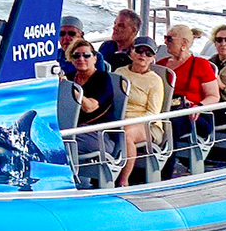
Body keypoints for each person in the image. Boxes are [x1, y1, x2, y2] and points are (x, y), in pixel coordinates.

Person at [158, 24, 220, 178]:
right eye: (165, 38)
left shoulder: (201, 65)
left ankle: (164, 174)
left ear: (184, 43)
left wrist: (198, 106)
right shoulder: (161, 65)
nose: (165, 42)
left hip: (194, 115)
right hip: (166, 111)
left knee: (169, 126)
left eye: (170, 39)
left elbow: (214, 96)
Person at [113, 35, 170, 187]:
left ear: (153, 58)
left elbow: (153, 113)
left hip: (148, 125)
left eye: (148, 53)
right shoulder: (119, 72)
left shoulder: (155, 80)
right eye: (139, 51)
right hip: (118, 120)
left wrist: (127, 122)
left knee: (126, 133)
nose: (143, 55)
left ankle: (123, 181)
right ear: (131, 52)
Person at [64, 38, 116, 184]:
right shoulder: (69, 78)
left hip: (100, 135)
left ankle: (73, 183)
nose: (81, 59)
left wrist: (71, 89)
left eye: (86, 55)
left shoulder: (102, 79)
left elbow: (90, 107)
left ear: (94, 58)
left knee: (60, 143)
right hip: (75, 131)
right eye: (76, 56)